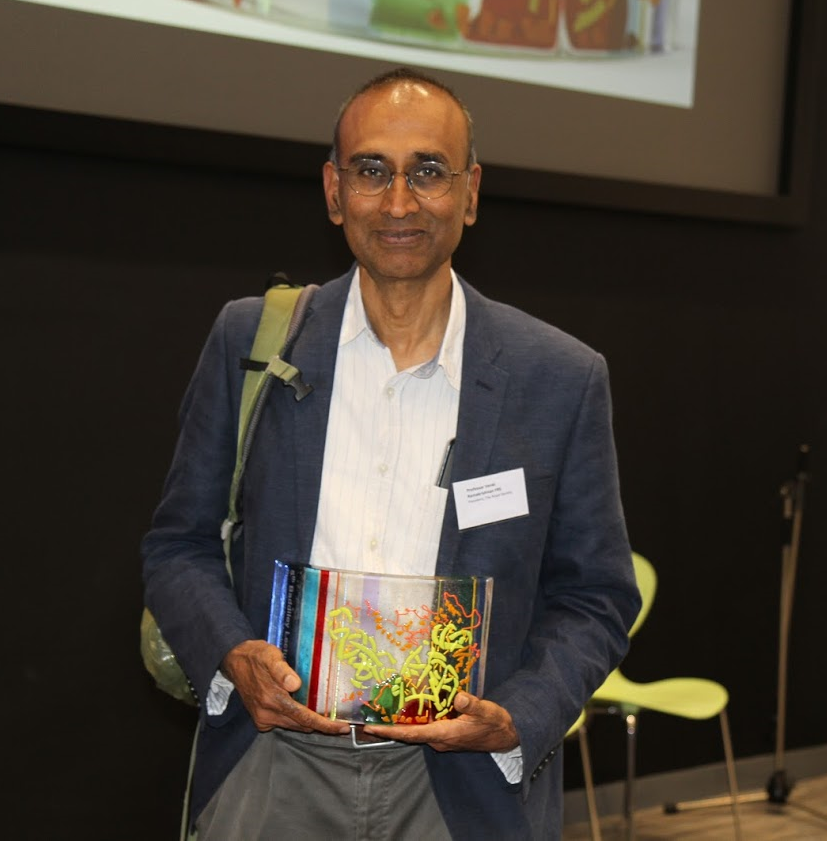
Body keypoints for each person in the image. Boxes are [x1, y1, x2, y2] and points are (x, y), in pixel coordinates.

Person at [142, 66, 641, 840]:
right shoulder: (253, 343)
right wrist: (233, 654)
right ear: (334, 190)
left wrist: (516, 716)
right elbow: (178, 544)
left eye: (428, 172)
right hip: (273, 761)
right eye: (371, 170)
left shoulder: (559, 378)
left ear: (469, 193)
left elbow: (596, 597)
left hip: (459, 788)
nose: (399, 202)